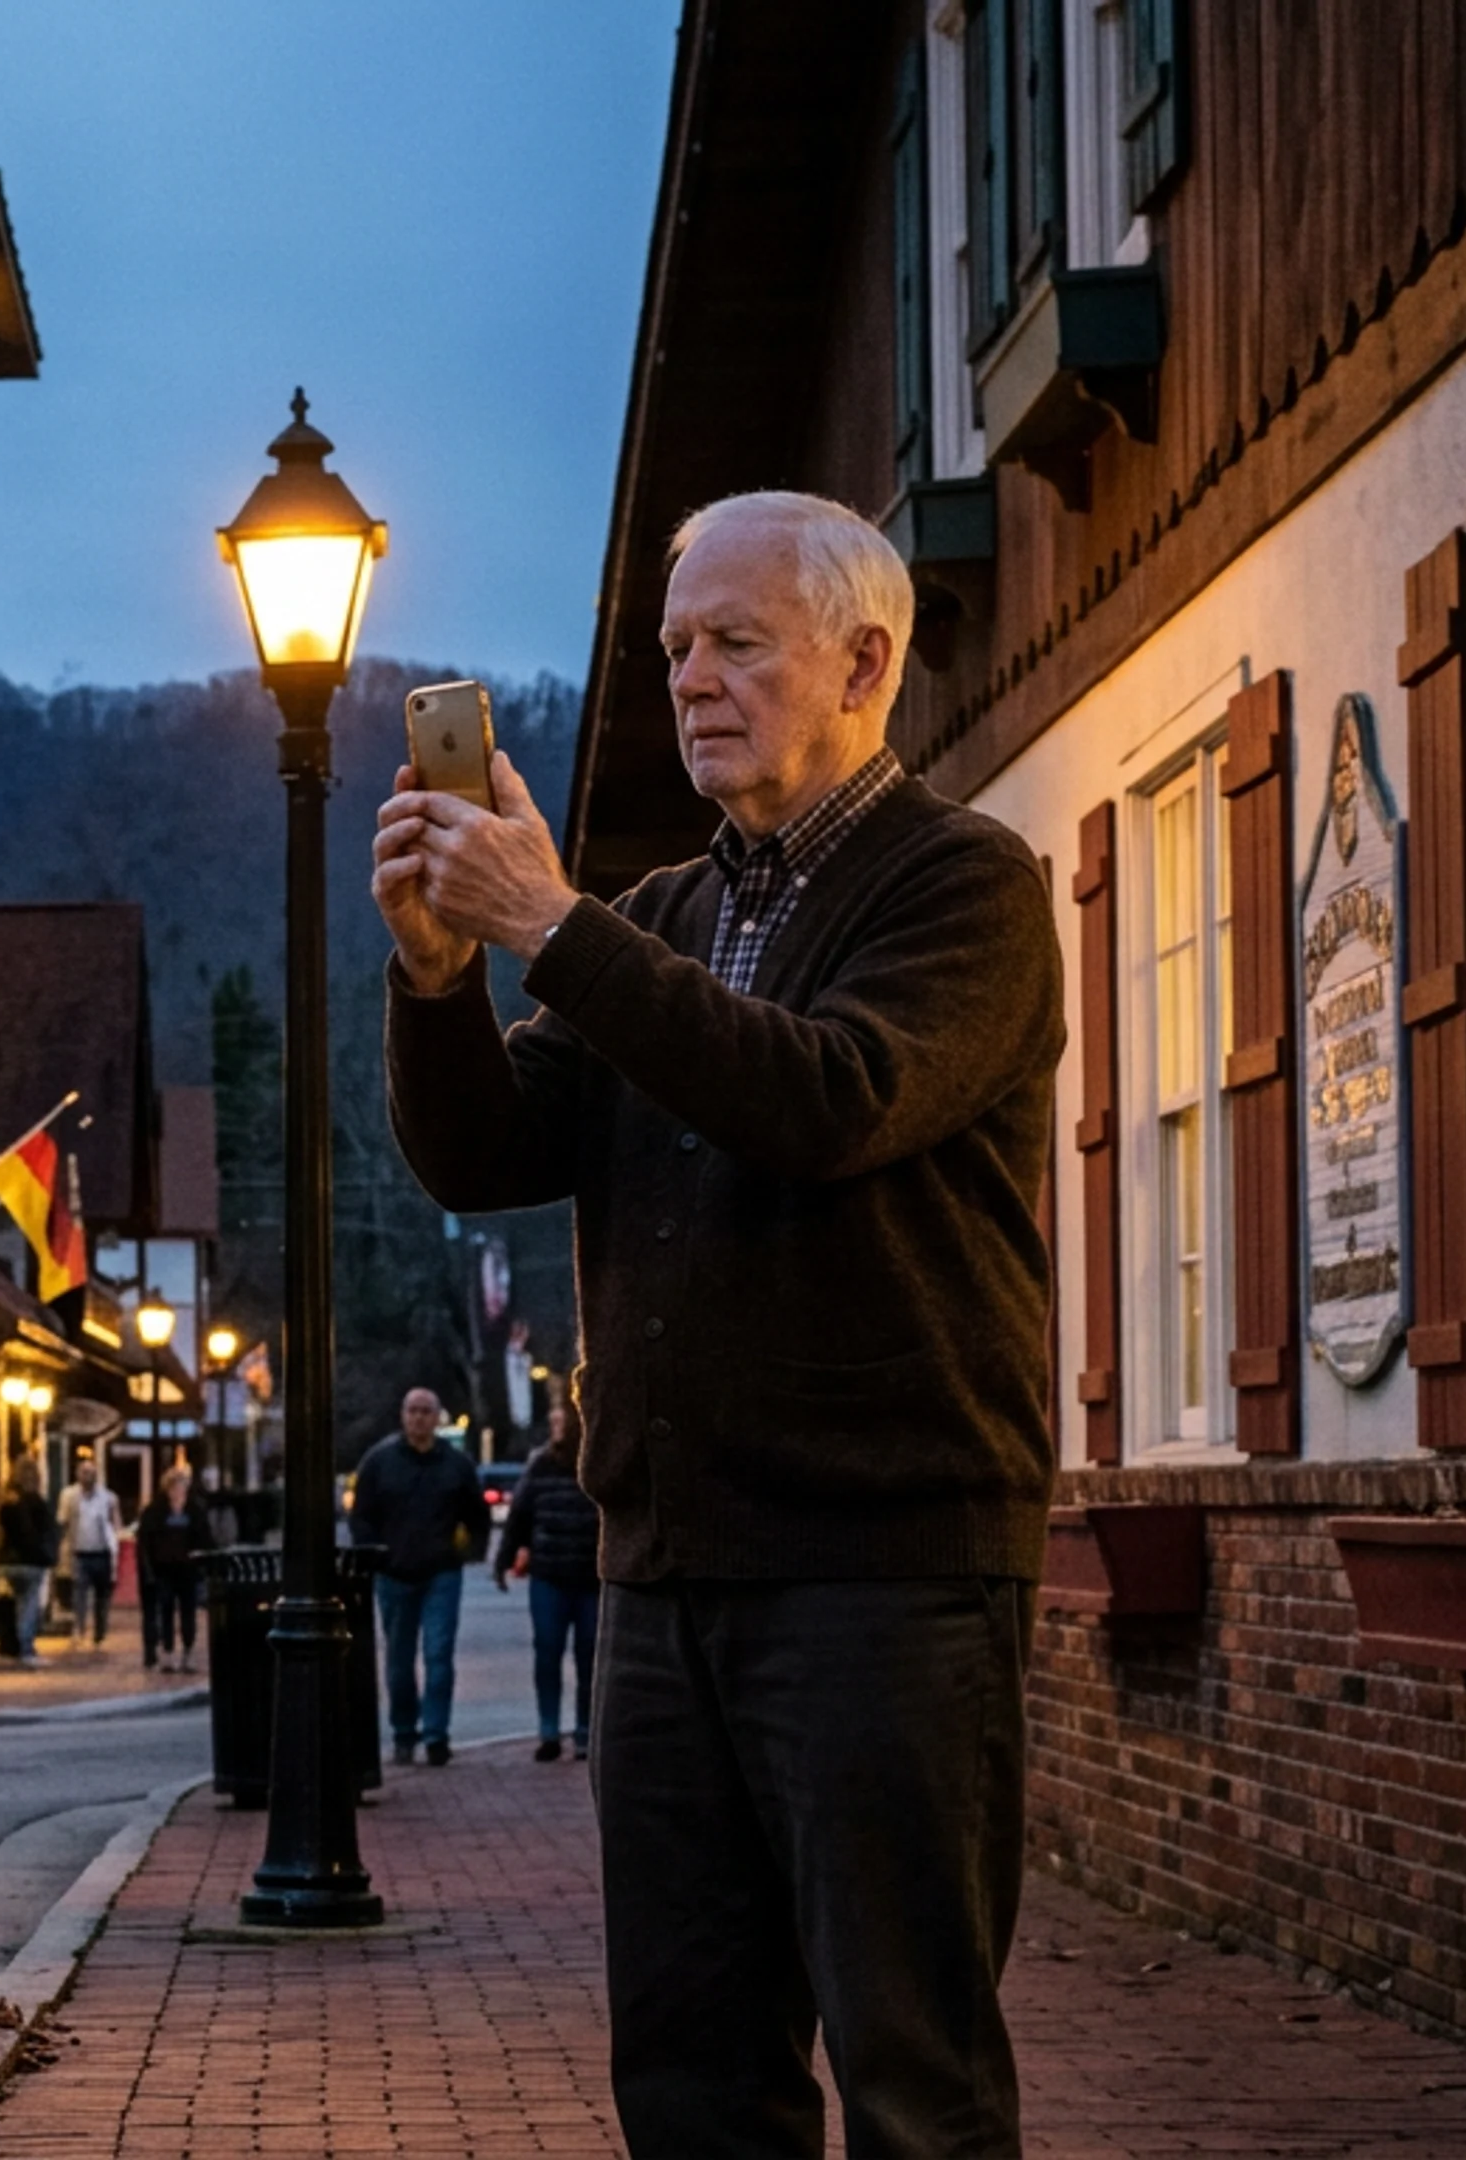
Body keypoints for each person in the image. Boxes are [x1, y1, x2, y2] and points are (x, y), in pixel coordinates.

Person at [376, 488, 1063, 2156]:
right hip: (666, 1580)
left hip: (883, 1575)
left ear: (864, 661)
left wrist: (550, 925)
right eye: (677, 645)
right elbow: (490, 1151)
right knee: (691, 2085)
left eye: (737, 642)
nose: (691, 677)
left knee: (918, 2080)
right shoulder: (673, 915)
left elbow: (827, 1100)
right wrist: (440, 976)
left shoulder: (966, 888)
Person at [344, 1385, 488, 1766]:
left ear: (436, 1417)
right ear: (403, 1415)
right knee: (399, 1660)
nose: (419, 1418)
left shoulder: (456, 1464)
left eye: (426, 1411)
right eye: (412, 1410)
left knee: (439, 1655)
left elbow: (477, 1514)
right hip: (394, 1574)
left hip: (441, 1572)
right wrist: (376, 1556)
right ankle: (404, 1732)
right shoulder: (379, 1461)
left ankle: (437, 1734)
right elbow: (361, 1516)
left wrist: (467, 1552)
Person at [491, 1398, 603, 1762]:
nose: (555, 1424)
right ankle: (550, 1730)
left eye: (561, 1419)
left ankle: (585, 1730)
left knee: (590, 1658)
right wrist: (504, 1560)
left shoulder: (596, 1463)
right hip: (551, 1575)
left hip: (590, 1576)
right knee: (548, 1653)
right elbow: (519, 1516)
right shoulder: (541, 1464)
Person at [133, 1463, 208, 1674]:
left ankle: (188, 1651)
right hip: (163, 1570)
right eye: (174, 1486)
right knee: (165, 1610)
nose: (178, 1490)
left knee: (188, 1611)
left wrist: (200, 1563)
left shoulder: (194, 1510)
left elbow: (203, 1537)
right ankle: (167, 1651)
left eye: (182, 1485)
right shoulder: (155, 1511)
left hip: (187, 1570)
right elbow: (145, 1540)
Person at [0, 1459, 59, 1665]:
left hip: (6, 1561)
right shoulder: (36, 1502)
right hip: (31, 1563)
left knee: (10, 1603)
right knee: (28, 1604)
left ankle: (9, 1644)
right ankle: (25, 1648)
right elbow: (42, 1531)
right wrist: (44, 1553)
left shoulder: (7, 1500)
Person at [56, 1455, 123, 1649]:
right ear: (77, 1474)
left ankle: (100, 1633)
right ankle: (79, 1629)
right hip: (79, 1552)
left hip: (102, 1552)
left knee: (102, 1595)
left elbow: (115, 1523)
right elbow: (63, 1522)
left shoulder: (108, 1497)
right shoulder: (68, 1496)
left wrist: (116, 1540)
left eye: (91, 1472)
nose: (88, 1476)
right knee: (79, 1593)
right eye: (84, 1472)